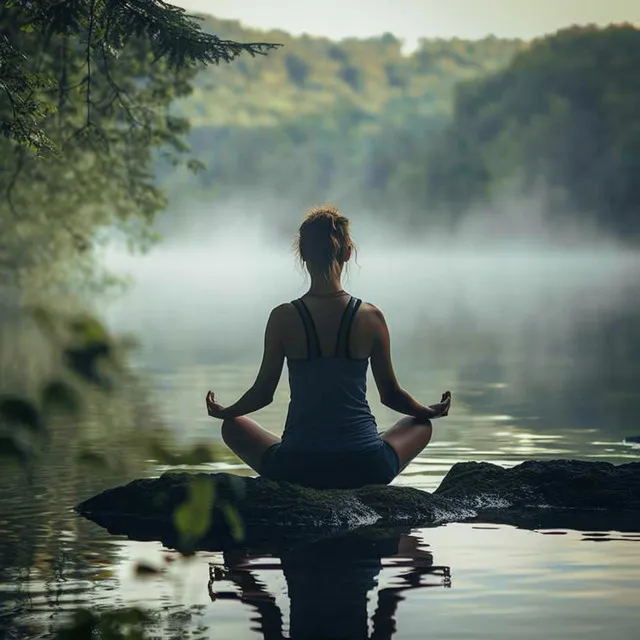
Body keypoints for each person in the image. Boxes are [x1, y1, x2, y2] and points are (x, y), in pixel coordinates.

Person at [205, 204, 451, 489]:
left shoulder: (284, 317)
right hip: (366, 465)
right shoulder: (370, 317)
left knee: (232, 426)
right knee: (420, 424)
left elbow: (262, 394)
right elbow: (391, 395)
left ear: (303, 255)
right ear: (347, 253)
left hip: (296, 467)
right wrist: (429, 411)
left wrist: (226, 412)